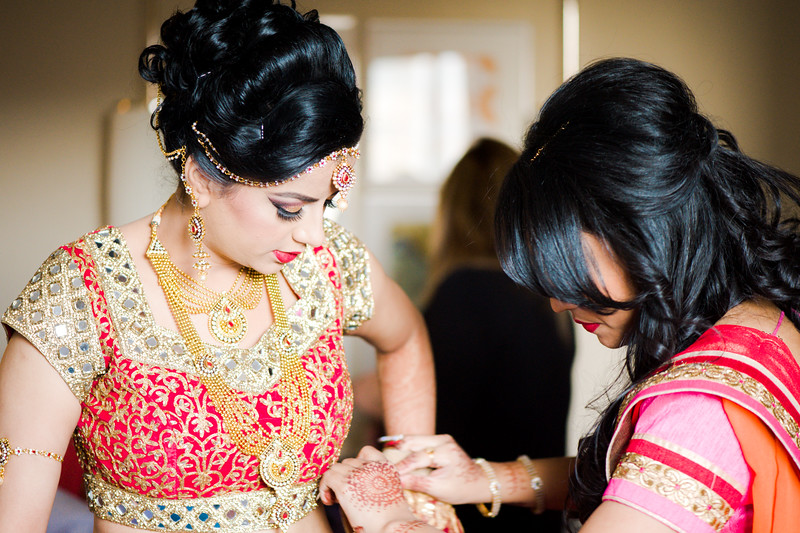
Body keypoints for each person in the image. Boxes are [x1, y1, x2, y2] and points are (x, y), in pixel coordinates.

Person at [0, 2, 435, 532]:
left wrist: (412, 493)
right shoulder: (79, 292)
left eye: (328, 205)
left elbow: (405, 338)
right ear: (202, 178)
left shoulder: (328, 264)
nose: (314, 234)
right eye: (289, 208)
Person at [319, 57, 800, 532]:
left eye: (568, 265)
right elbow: (639, 481)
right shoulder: (762, 322)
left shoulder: (701, 407)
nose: (558, 301)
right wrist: (486, 478)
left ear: (646, 232)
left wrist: (390, 520)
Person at [422, 138, 574, 532]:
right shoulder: (550, 300)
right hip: (541, 505)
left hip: (476, 510)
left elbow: (437, 419)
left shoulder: (462, 291)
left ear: (452, 211)